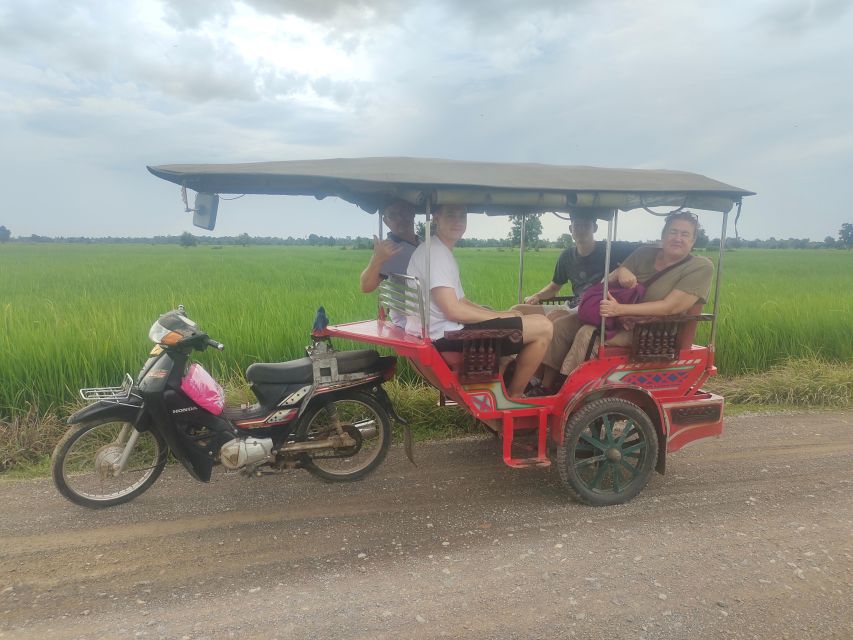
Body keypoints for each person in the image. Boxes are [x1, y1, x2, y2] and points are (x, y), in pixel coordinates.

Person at [405, 204, 553, 398]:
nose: (458, 221)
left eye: (462, 215)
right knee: (544, 327)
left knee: (514, 314)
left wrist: (499, 315)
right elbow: (453, 310)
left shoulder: (436, 248)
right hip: (446, 336)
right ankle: (516, 396)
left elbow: (462, 301)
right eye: (451, 214)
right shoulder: (437, 254)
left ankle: (503, 376)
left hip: (439, 331)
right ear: (436, 218)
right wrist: (498, 317)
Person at [550, 210, 714, 378]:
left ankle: (566, 389)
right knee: (561, 325)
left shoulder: (700, 267)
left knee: (588, 334)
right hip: (616, 319)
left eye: (685, 234)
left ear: (693, 241)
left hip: (652, 330)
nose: (678, 238)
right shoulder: (644, 253)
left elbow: (671, 306)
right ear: (663, 235)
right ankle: (542, 383)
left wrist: (620, 310)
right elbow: (606, 281)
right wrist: (621, 272)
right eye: (673, 232)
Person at [514, 209, 638, 394]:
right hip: (573, 305)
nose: (580, 229)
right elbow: (555, 286)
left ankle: (539, 381)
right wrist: (538, 296)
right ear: (570, 228)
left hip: (592, 308)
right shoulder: (566, 256)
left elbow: (644, 251)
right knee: (518, 310)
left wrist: (624, 269)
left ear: (594, 227)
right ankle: (513, 364)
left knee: (555, 319)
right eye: (576, 225)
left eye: (585, 225)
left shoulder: (612, 249)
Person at [359, 200, 419, 293]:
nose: (400, 218)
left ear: (412, 214)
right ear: (386, 221)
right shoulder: (388, 249)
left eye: (404, 212)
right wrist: (377, 258)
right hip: (408, 306)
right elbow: (366, 286)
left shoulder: (424, 243)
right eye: (392, 215)